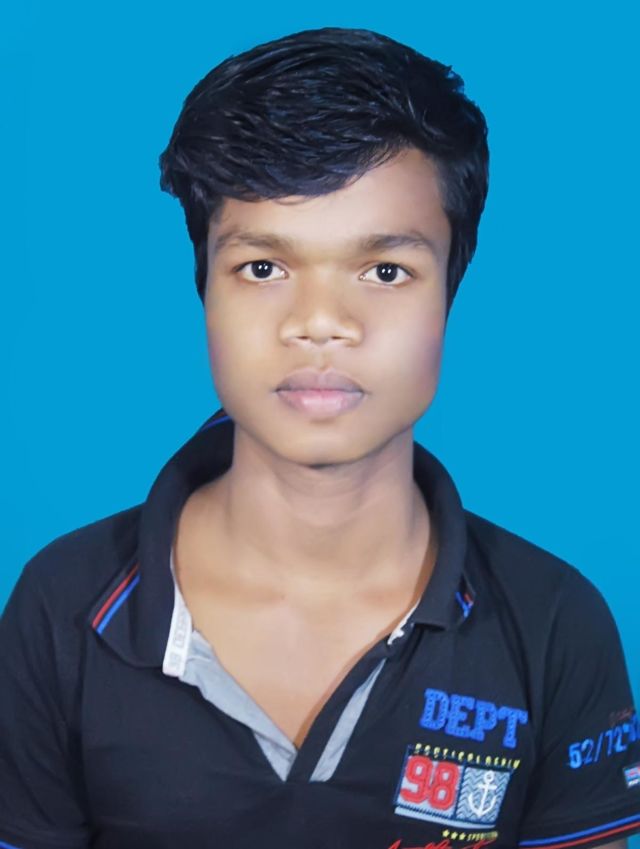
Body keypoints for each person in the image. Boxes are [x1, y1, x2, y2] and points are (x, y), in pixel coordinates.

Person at [1, 26, 638, 849]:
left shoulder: (552, 622)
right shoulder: (61, 603)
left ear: (449, 293)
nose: (321, 323)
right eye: (263, 267)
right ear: (205, 290)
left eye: (386, 271)